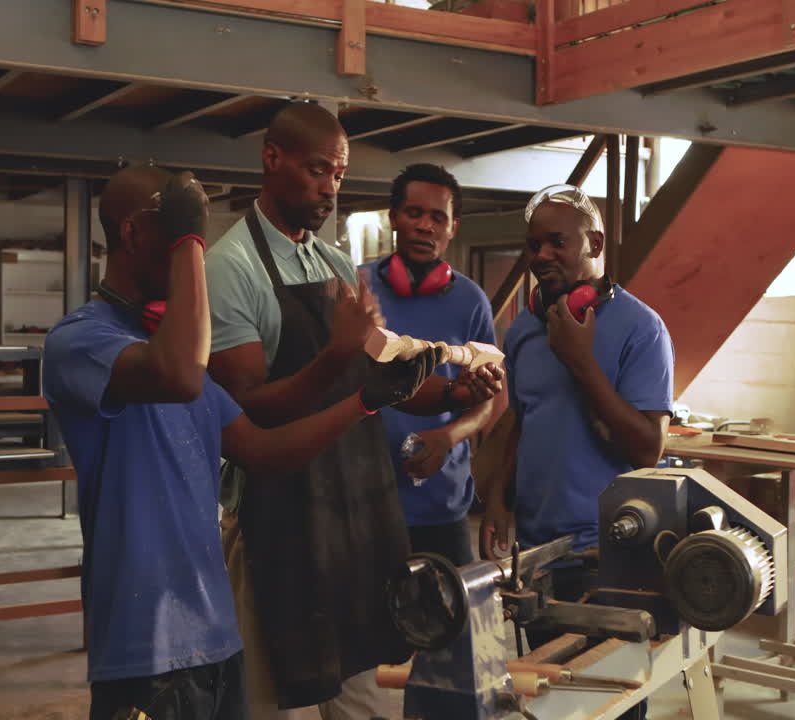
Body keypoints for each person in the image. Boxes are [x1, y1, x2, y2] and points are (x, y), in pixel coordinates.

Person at [43, 166, 437, 720]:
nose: (196, 260)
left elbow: (261, 449)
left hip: (216, 630)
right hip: (144, 640)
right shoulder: (83, 341)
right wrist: (193, 237)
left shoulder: (175, 348)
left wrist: (365, 402)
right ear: (133, 235)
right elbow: (178, 375)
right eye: (182, 238)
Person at [206, 102, 503, 719]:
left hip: (348, 514)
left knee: (362, 696)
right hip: (274, 523)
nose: (329, 187)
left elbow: (379, 374)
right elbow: (247, 413)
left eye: (338, 175)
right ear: (272, 159)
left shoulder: (332, 262)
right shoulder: (230, 268)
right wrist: (334, 354)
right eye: (318, 170)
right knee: (277, 698)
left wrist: (454, 394)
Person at [480, 184, 674, 719]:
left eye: (556, 243)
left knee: (608, 703)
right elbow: (520, 417)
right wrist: (498, 498)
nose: (540, 256)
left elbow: (647, 449)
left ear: (595, 240)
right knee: (546, 703)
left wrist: (582, 362)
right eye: (533, 245)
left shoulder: (642, 329)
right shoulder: (524, 328)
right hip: (539, 553)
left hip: (609, 555)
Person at [360, 163, 508, 568]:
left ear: (453, 227)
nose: (425, 226)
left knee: (446, 626)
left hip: (441, 508)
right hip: (361, 504)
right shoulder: (357, 289)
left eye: (437, 217)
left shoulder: (472, 302)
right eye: (414, 213)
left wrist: (448, 435)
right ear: (393, 217)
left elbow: (488, 400)